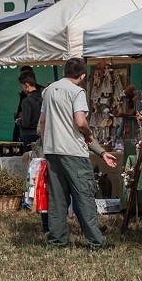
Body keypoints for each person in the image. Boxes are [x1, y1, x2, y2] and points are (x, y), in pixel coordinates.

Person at [38, 57, 117, 250]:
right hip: (74, 152)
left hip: (52, 150)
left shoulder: (48, 91)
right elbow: (80, 122)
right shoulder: (77, 92)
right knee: (84, 196)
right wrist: (89, 133)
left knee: (57, 197)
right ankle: (96, 241)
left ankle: (57, 239)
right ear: (82, 76)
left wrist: (46, 141)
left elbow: (42, 122)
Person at [17, 72, 43, 147]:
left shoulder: (27, 101)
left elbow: (26, 123)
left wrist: (19, 121)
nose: (22, 89)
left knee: (30, 156)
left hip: (30, 135)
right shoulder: (43, 97)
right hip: (43, 133)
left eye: (22, 86)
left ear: (26, 85)